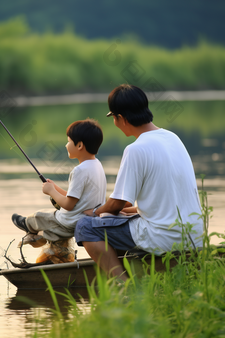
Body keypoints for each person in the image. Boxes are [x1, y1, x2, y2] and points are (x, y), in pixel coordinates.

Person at [75, 84, 204, 281]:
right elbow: (164, 200)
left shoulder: (135, 149)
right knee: (114, 218)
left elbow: (119, 202)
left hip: (165, 238)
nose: (115, 124)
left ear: (121, 118)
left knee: (85, 226)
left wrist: (95, 212)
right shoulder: (173, 138)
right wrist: (127, 211)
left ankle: (123, 286)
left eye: (114, 119)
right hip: (195, 235)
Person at [12, 119, 107, 260]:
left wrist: (51, 191)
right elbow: (75, 197)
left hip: (70, 220)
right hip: (88, 218)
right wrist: (55, 187)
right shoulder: (97, 165)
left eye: (68, 141)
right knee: (52, 224)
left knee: (41, 216)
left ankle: (28, 226)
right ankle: (43, 238)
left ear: (79, 145)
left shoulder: (79, 170)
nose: (66, 145)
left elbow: (69, 205)